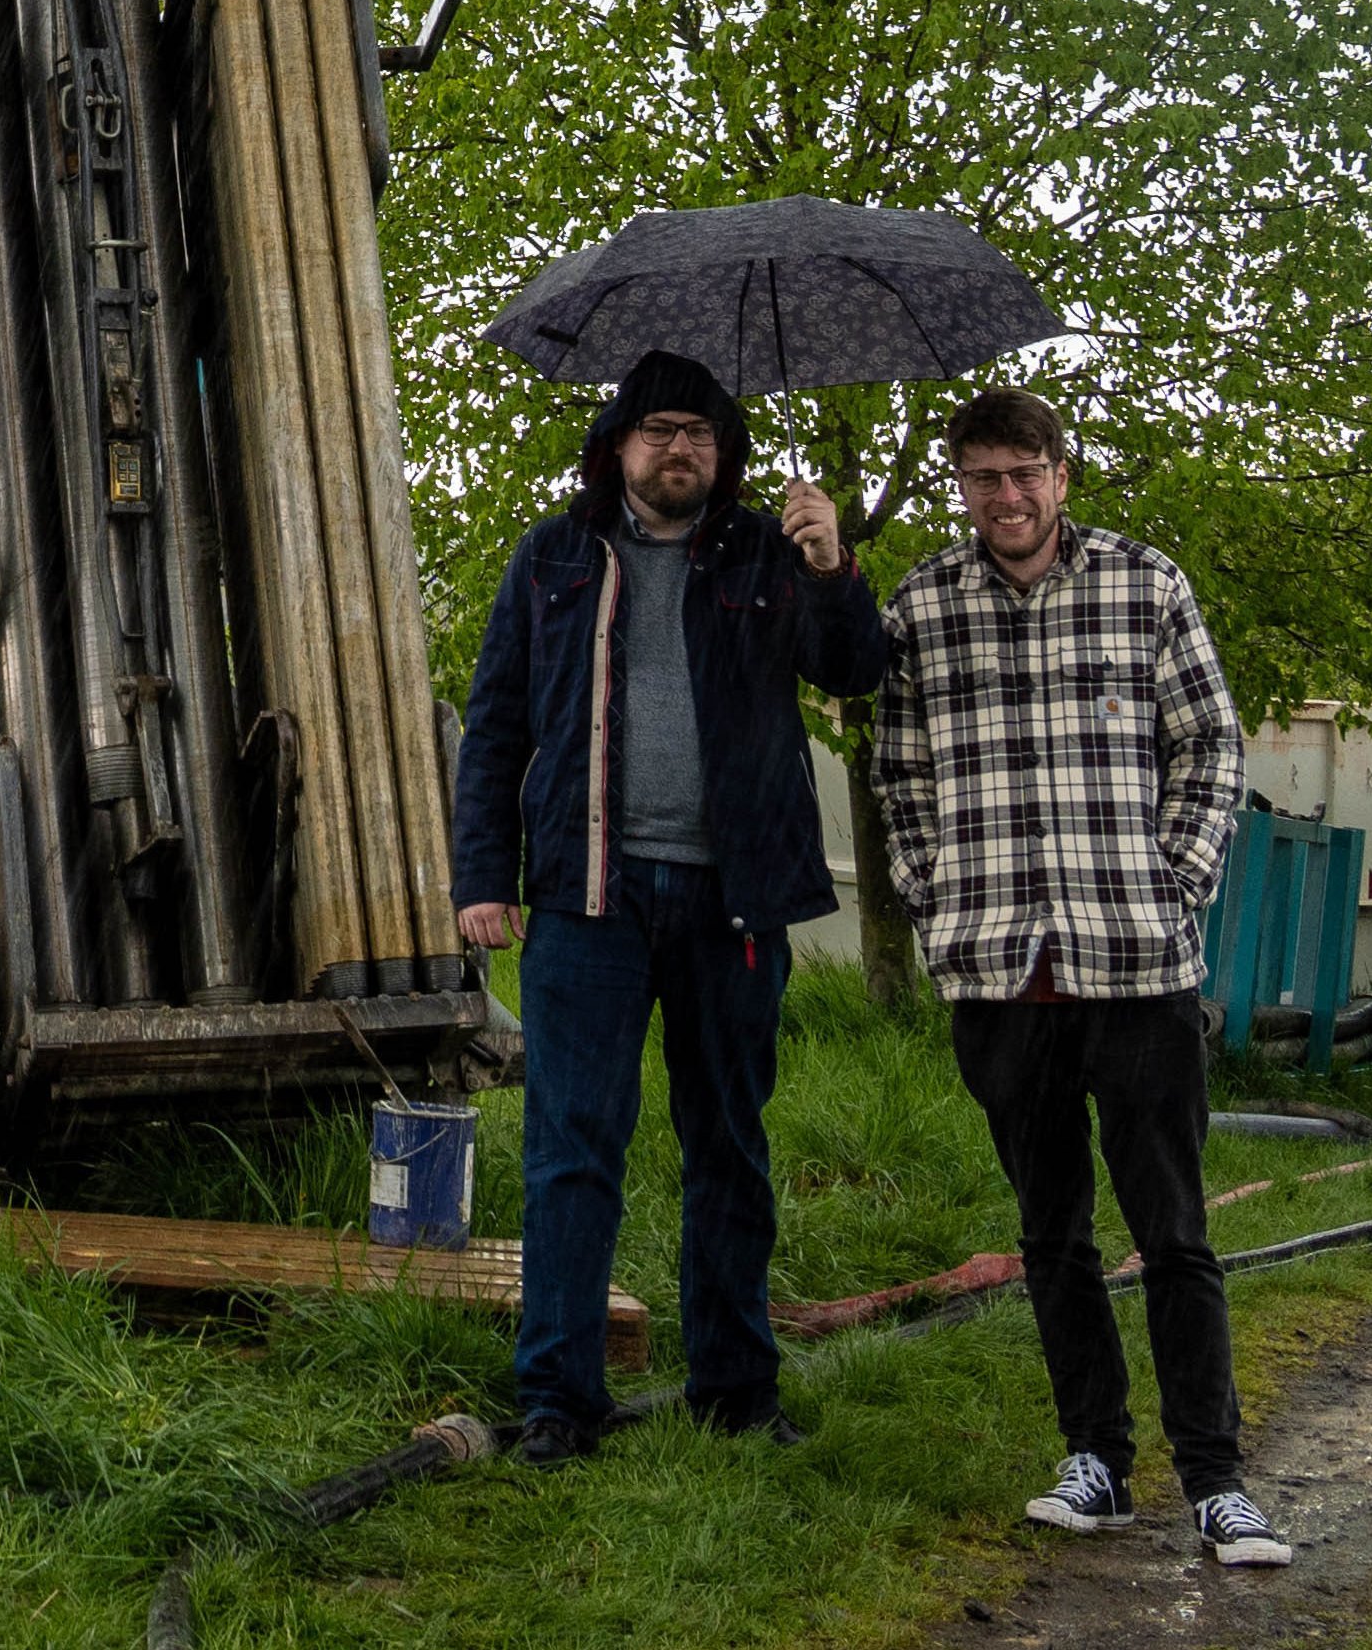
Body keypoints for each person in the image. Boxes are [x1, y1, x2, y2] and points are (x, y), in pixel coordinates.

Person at [864, 386, 1291, 1569]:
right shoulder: (922, 606)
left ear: (1063, 474)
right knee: (1051, 1233)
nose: (1006, 496)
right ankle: (1095, 1457)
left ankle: (1217, 1479)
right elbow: (897, 769)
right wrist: (934, 889)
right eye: (984, 476)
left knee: (1175, 1231)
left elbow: (1212, 745)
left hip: (1135, 962)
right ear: (963, 485)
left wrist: (1177, 881)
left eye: (1025, 473)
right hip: (1001, 972)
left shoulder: (1142, 584)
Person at [447, 349, 886, 1458]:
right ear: (618, 448)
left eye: (698, 431)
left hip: (733, 900)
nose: (678, 448)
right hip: (586, 898)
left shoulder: (767, 550)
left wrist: (833, 567)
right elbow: (495, 721)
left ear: (723, 451)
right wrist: (482, 876)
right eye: (658, 431)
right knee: (571, 1146)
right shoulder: (552, 555)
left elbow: (850, 669)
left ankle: (736, 1390)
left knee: (727, 1145)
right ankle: (559, 1399)